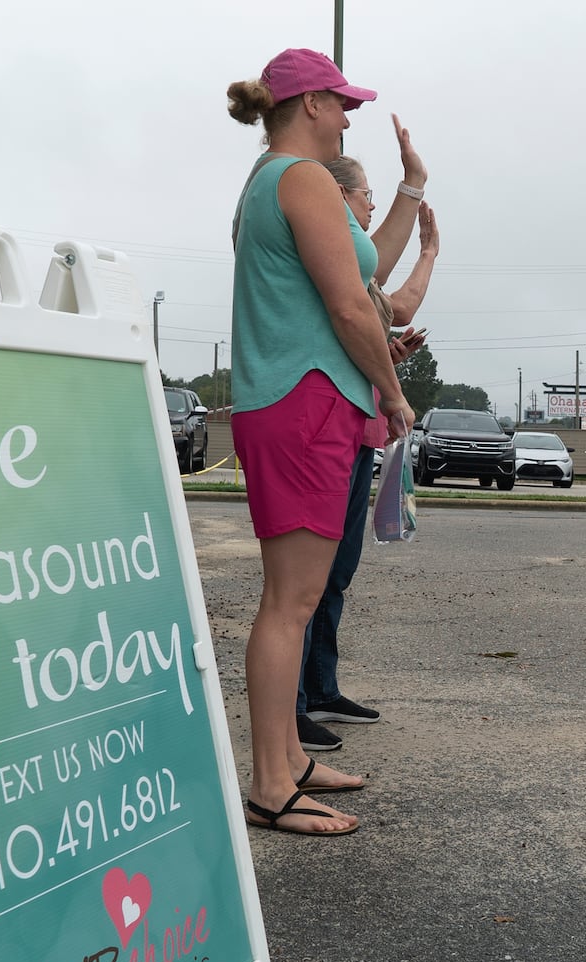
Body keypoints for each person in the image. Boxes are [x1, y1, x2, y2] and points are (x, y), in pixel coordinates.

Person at [225, 47, 416, 836]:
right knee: (289, 601)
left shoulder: (275, 182)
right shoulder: (299, 179)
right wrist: (397, 394)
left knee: (295, 601)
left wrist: (413, 188)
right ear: (308, 104)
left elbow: (359, 298)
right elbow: (348, 308)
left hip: (305, 400)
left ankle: (290, 760)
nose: (349, 118)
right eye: (343, 104)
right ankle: (272, 782)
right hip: (302, 402)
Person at [295, 152, 440, 751]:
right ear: (339, 198)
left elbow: (392, 311)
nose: (372, 206)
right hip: (322, 428)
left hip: (357, 432)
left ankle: (321, 688)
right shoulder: (332, 261)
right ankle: (293, 704)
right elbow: (374, 311)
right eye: (366, 196)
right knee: (306, 576)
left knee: (338, 570)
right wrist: (394, 389)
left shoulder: (359, 275)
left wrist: (430, 256)